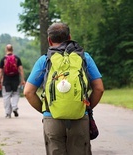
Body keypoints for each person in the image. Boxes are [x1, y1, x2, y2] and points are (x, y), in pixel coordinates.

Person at [24, 22, 104, 155]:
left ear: (49, 40)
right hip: (80, 117)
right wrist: (83, 106)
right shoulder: (85, 57)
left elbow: (28, 92)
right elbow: (99, 89)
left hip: (52, 118)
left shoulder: (44, 60)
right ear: (70, 37)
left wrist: (47, 109)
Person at [0, 44, 25, 118]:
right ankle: (14, 107)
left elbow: (0, 72)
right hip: (15, 80)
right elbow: (21, 70)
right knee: (16, 94)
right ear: (12, 49)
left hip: (6, 80)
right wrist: (22, 80)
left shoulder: (3, 59)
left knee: (6, 96)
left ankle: (7, 113)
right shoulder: (17, 58)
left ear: (6, 50)